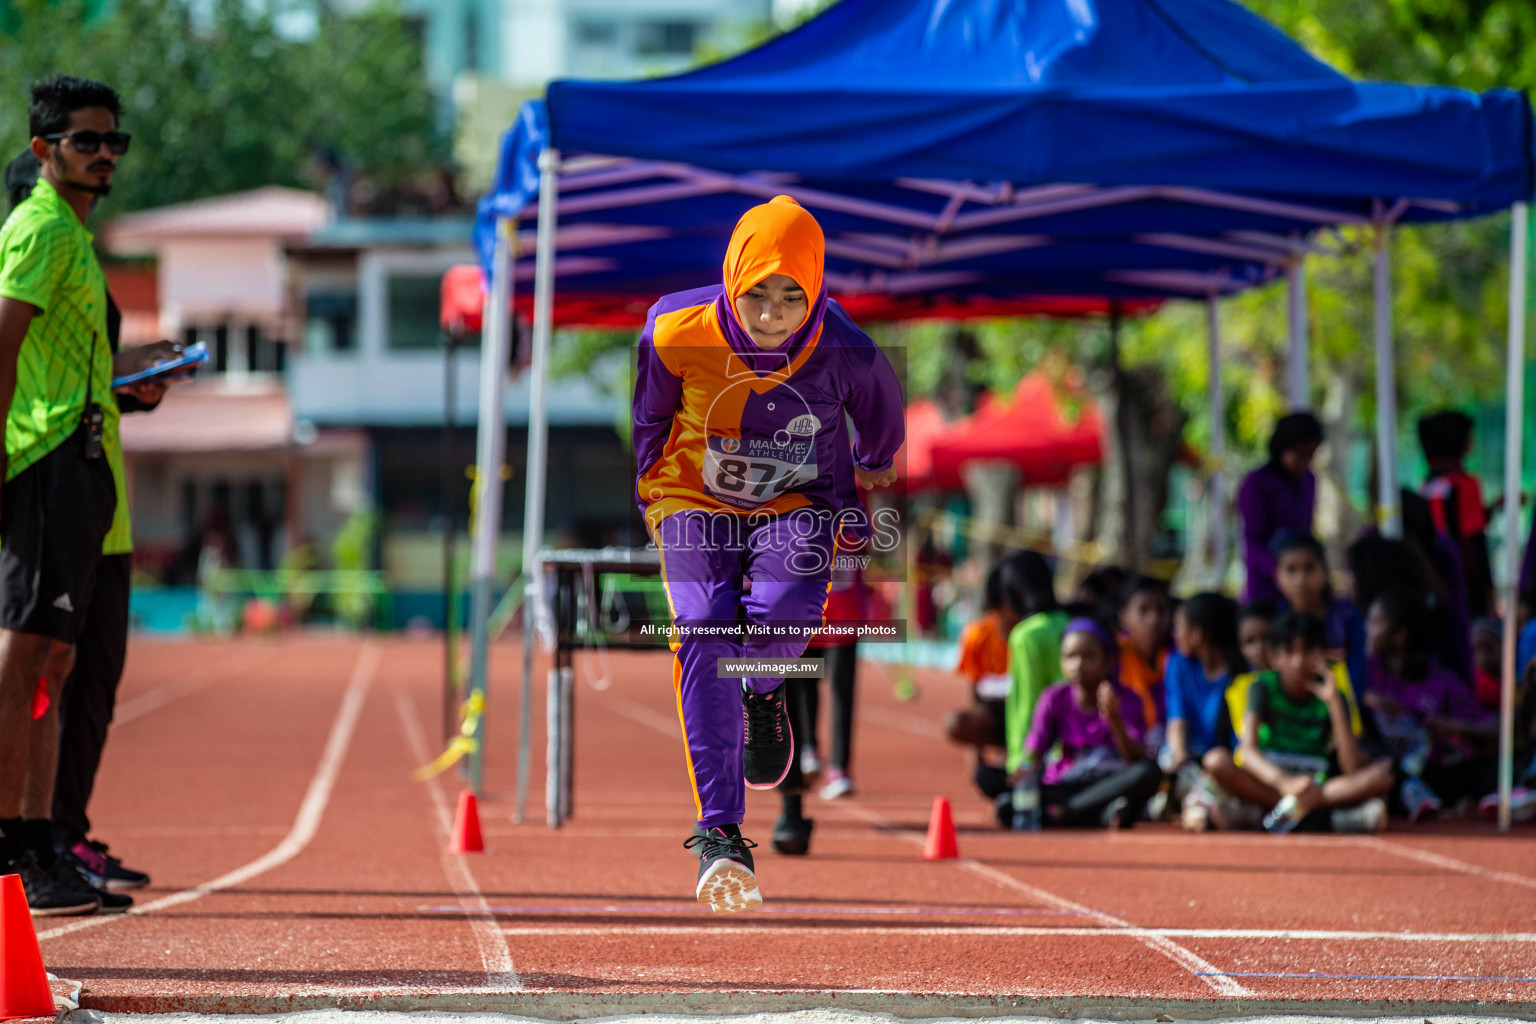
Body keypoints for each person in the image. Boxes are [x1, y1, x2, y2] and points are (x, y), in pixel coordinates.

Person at [633, 196, 903, 913]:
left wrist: (874, 459)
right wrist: (654, 495)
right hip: (693, 498)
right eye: (758, 294)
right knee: (702, 626)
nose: (774, 313)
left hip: (797, 504)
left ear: (815, 290)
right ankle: (720, 831)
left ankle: (764, 690)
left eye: (794, 296)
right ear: (732, 280)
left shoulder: (841, 343)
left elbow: (882, 410)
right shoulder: (673, 330)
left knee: (784, 608)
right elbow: (650, 417)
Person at [0, 76, 168, 915]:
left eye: (114, 142)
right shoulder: (37, 228)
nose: (104, 154)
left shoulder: (71, 235)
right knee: (25, 659)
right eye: (85, 141)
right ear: (43, 150)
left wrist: (130, 385)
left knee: (53, 665)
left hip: (81, 466)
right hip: (44, 464)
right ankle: (11, 849)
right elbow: (3, 345)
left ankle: (38, 842)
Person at [1203, 612, 1391, 833]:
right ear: (1273, 657)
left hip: (1315, 785)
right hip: (1271, 781)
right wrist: (1285, 783)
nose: (1298, 662)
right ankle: (1326, 818)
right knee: (1216, 761)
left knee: (1382, 775)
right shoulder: (1261, 687)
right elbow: (1248, 753)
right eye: (1289, 652)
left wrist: (1334, 704)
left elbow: (1350, 767)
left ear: (1322, 654)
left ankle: (1269, 816)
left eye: (1308, 651)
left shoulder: (1333, 695)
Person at [1013, 618, 1162, 829]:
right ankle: (1093, 814)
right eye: (1070, 656)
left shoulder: (1127, 699)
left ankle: (1067, 814)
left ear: (1108, 661)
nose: (1078, 664)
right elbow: (1035, 750)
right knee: (1000, 791)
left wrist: (1114, 718)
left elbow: (1134, 759)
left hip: (1111, 782)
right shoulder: (1054, 697)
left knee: (1148, 772)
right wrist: (1023, 771)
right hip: (1068, 782)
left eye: (1088, 656)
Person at [1365, 590, 1497, 820]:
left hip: (1432, 770)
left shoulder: (1442, 682)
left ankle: (1443, 803)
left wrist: (1454, 726)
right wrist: (1366, 698)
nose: (1367, 628)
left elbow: (1496, 728)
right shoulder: (1368, 673)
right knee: (1384, 771)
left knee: (1487, 770)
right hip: (1388, 772)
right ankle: (1438, 804)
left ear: (1400, 636)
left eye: (1376, 622)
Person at [771, 566, 864, 857]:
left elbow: (863, 544)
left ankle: (836, 768)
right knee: (802, 690)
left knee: (836, 690)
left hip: (835, 613)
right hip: (802, 611)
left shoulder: (850, 518)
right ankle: (813, 758)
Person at [1163, 593, 1245, 829]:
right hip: (1189, 761)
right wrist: (1179, 756)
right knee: (1167, 761)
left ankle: (1200, 805)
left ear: (1197, 635)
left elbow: (1238, 746)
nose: (1174, 634)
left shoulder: (1240, 676)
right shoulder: (1178, 664)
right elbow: (1176, 719)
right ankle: (1205, 805)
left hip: (1224, 766)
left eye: (1179, 627)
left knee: (1220, 771)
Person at [946, 561, 1015, 799]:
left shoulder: (1031, 636)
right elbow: (973, 694)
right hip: (995, 717)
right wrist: (975, 756)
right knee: (954, 723)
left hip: (1029, 718)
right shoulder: (977, 636)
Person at [1237, 412, 1322, 603]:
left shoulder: (1309, 480)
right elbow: (1252, 541)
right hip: (1266, 585)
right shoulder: (1257, 483)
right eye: (1301, 454)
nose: (1306, 461)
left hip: (1300, 583)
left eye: (1311, 455)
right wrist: (1280, 571)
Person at [1002, 551, 1071, 781]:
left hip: (1042, 751)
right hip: (1074, 745)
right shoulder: (1069, 622)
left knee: (988, 779)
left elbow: (1027, 701)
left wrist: (1019, 760)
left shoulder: (1026, 635)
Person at [1419, 410, 1495, 618]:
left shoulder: (1426, 486)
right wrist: (1488, 591)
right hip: (1464, 582)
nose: (1473, 442)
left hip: (1434, 579)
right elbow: (1473, 539)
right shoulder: (1466, 484)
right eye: (1469, 436)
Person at [1273, 531, 1367, 695]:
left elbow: (1358, 676)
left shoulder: (1349, 617)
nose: (1300, 580)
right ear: (1278, 576)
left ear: (1325, 571)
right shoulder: (1273, 620)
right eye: (1291, 570)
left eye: (1309, 569)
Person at [1116, 575, 1173, 746]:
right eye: (1144, 610)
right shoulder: (1113, 656)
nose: (1153, 619)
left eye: (1161, 610)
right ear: (1124, 617)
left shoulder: (1179, 656)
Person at [1471, 617, 1503, 711]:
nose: (1483, 656)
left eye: (1489, 648)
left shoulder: (1514, 685)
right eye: (1476, 649)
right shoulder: (1472, 684)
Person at [1239, 600, 1279, 674]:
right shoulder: (1243, 684)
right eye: (1250, 641)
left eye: (1266, 636)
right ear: (1241, 647)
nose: (1260, 648)